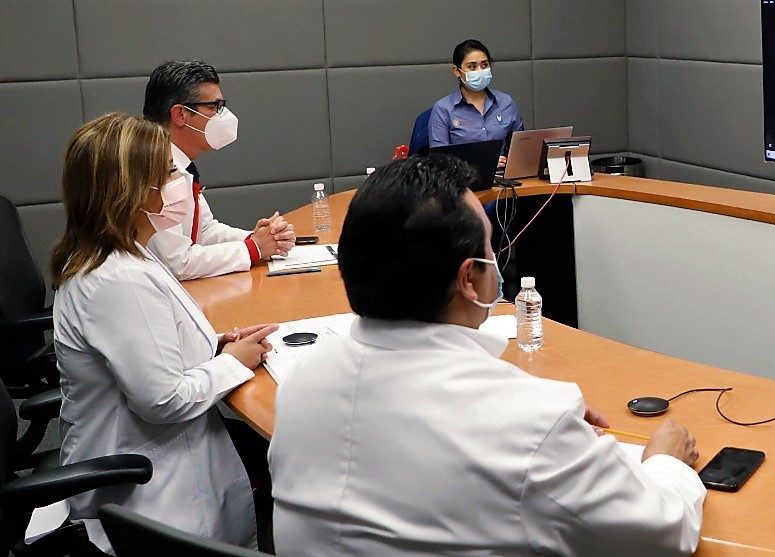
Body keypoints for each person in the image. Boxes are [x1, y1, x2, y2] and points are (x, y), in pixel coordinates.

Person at [269, 155, 705, 556]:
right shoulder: (530, 421)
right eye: (490, 247)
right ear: (468, 279)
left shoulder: (299, 383)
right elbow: (662, 535)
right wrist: (665, 462)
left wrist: (550, 433)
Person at [52, 112, 276, 554]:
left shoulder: (126, 252)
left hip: (161, 455)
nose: (179, 181)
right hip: (149, 483)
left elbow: (150, 344)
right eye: (169, 172)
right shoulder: (116, 280)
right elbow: (162, 399)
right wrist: (232, 364)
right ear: (133, 190)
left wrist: (218, 346)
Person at [142, 60, 296, 280]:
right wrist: (254, 249)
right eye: (214, 107)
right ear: (180, 115)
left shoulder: (181, 163)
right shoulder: (154, 169)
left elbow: (204, 232)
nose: (223, 115)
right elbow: (177, 262)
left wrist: (258, 239)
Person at [427, 39, 526, 166]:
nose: (480, 71)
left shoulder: (506, 103)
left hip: (504, 178)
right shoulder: (443, 109)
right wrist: (482, 162)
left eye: (484, 65)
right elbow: (439, 161)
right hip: (462, 180)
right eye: (472, 67)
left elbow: (521, 149)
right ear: (457, 71)